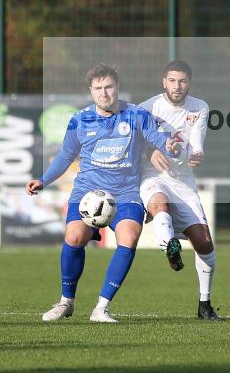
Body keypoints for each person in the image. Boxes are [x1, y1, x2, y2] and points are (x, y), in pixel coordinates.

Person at [26, 63, 180, 323]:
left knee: (129, 237)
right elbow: (66, 155)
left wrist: (170, 146)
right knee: (74, 237)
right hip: (88, 192)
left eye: (108, 87)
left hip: (125, 192)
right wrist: (43, 180)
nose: (104, 93)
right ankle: (66, 302)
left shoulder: (136, 115)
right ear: (91, 91)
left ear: (118, 88)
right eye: (98, 88)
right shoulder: (80, 119)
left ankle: (101, 308)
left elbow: (157, 138)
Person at [139, 61, 218, 321]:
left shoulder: (200, 107)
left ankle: (204, 305)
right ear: (164, 81)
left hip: (183, 181)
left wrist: (197, 155)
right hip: (153, 177)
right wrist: (150, 152)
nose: (177, 86)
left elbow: (197, 142)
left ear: (189, 83)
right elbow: (131, 141)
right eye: (172, 80)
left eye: (182, 81)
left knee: (205, 244)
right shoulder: (146, 108)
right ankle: (170, 247)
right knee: (160, 206)